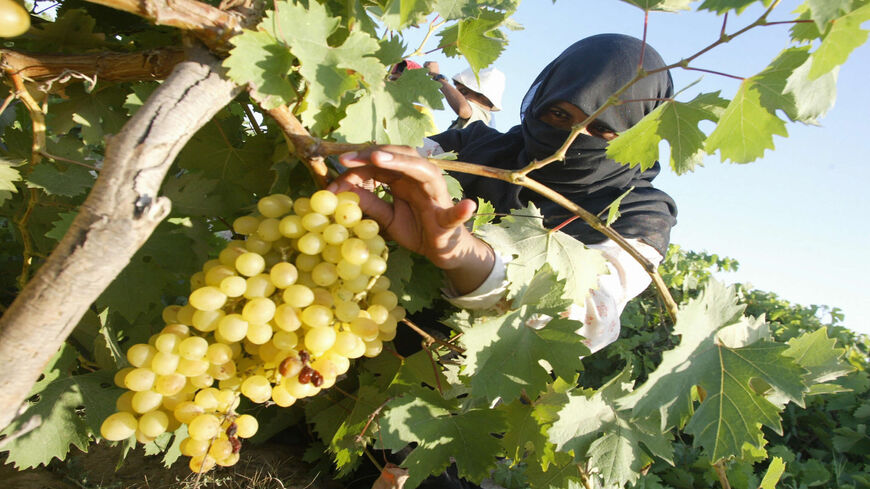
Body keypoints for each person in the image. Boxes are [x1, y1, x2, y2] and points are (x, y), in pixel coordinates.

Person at [330, 33, 677, 356]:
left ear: (640, 135)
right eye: (559, 114)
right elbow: (399, 158)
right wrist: (366, 175)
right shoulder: (476, 147)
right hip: (348, 337)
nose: (572, 139)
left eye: (601, 128)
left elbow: (590, 319)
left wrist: (465, 255)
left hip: (459, 389)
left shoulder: (640, 214)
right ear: (541, 100)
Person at [425, 62, 505, 130]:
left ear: (484, 97)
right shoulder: (471, 121)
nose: (458, 96)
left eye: (463, 92)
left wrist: (437, 77)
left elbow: (463, 109)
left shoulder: (484, 118)